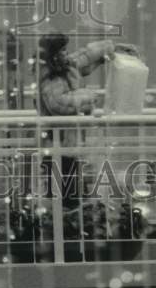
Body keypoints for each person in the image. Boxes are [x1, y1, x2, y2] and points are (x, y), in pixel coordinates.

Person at [37, 34, 140, 205]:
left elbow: (84, 57)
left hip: (67, 145)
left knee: (70, 192)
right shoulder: (50, 75)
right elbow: (58, 103)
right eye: (62, 50)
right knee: (65, 196)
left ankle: (70, 222)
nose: (66, 53)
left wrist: (113, 49)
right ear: (53, 53)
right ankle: (67, 224)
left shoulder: (61, 67)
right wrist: (88, 97)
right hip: (58, 146)